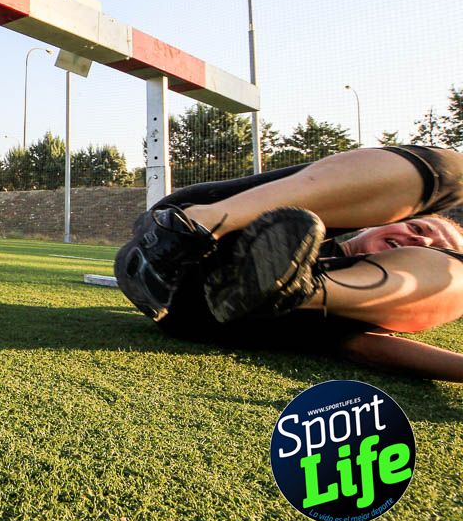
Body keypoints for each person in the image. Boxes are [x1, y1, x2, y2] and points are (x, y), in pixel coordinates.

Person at [115, 145, 463, 380]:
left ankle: (289, 287)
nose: (421, 240)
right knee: (454, 174)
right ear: (392, 217)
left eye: (434, 249)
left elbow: (370, 349)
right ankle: (190, 229)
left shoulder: (365, 316)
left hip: (208, 309)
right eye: (418, 227)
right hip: (192, 225)